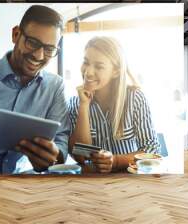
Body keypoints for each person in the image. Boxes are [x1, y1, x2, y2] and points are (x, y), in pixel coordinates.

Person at [0, 5, 70, 174]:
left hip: (23, 181)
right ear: (16, 34)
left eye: (49, 49)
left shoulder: (55, 86)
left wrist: (54, 155)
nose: (38, 56)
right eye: (32, 43)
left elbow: (61, 139)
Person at [68, 36, 159, 173]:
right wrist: (84, 106)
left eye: (99, 66)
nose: (88, 72)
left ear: (116, 71)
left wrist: (116, 161)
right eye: (86, 62)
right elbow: (80, 156)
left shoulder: (135, 99)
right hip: (94, 182)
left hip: (129, 180)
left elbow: (152, 150)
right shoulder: (77, 103)